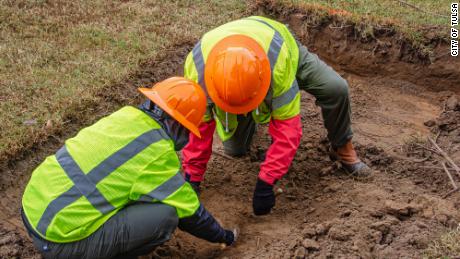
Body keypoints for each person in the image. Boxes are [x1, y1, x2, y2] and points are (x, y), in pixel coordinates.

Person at [21, 77, 237, 259]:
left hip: (33, 205)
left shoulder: (125, 116)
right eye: (189, 130)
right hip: (60, 239)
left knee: (132, 191)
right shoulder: (157, 153)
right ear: (179, 125)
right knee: (166, 216)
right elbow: (190, 212)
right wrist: (224, 236)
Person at [181, 16, 372, 216]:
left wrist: (267, 181)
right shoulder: (196, 73)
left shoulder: (278, 66)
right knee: (235, 149)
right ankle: (243, 116)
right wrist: (192, 178)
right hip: (228, 75)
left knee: (336, 88)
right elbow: (198, 132)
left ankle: (343, 149)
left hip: (282, 49)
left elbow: (288, 131)